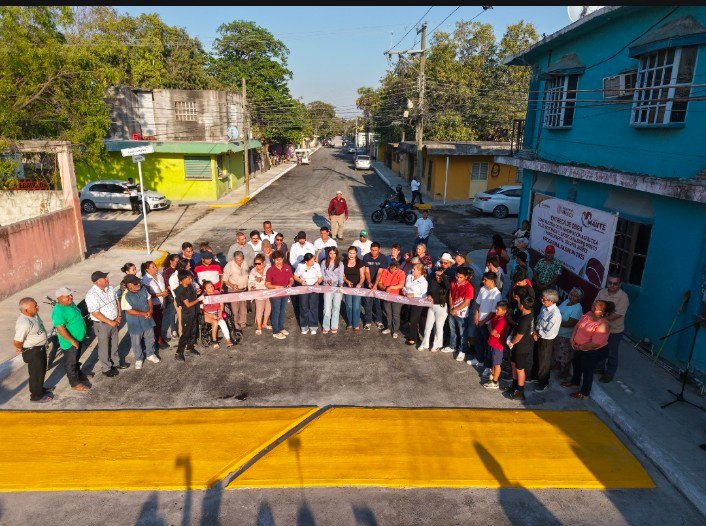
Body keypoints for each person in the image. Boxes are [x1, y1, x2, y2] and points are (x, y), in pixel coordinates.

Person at [562, 300, 613, 399]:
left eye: (595, 308)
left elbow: (595, 344)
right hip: (579, 347)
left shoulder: (603, 325)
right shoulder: (589, 314)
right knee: (576, 365)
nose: (592, 309)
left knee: (587, 371)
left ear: (603, 313)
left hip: (593, 352)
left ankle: (584, 393)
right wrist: (572, 339)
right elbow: (577, 326)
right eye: (593, 306)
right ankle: (575, 382)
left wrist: (580, 347)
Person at [85, 270, 125, 376]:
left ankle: (116, 362)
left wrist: (119, 316)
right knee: (104, 346)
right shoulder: (91, 295)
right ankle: (106, 368)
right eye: (104, 278)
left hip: (114, 321)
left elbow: (117, 302)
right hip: (102, 324)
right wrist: (110, 322)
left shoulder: (110, 288)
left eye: (106, 277)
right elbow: (95, 313)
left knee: (114, 343)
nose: (107, 279)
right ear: (97, 281)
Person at [13, 297, 53, 402]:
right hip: (33, 352)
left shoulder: (34, 314)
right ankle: (36, 396)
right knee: (36, 374)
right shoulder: (24, 323)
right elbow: (17, 341)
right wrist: (20, 348)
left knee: (42, 371)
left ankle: (40, 389)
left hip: (40, 349)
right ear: (26, 310)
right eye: (35, 306)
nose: (37, 307)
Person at [51, 287, 91, 391]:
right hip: (70, 342)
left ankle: (79, 375)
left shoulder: (70, 304)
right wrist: (72, 341)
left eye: (71, 295)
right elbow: (60, 329)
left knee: (76, 359)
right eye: (67, 296)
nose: (71, 297)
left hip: (78, 338)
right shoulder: (58, 311)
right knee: (71, 363)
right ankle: (75, 383)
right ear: (59, 298)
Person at [122, 275, 161, 369]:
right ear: (129, 285)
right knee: (136, 342)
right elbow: (129, 311)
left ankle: (150, 354)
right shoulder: (125, 296)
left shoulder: (143, 289)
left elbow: (149, 299)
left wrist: (151, 310)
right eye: (136, 283)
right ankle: (139, 359)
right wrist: (144, 313)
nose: (139, 284)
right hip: (135, 322)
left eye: (138, 282)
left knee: (150, 338)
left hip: (147, 318)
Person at [596, 274, 630, 383]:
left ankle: (610, 373)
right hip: (601, 328)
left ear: (619, 284)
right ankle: (599, 368)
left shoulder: (623, 297)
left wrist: (601, 320)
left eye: (615, 284)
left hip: (614, 330)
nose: (612, 285)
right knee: (600, 348)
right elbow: (596, 305)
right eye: (610, 283)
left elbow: (617, 314)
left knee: (611, 352)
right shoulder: (602, 292)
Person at [530, 289, 562, 391]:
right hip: (538, 336)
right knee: (536, 357)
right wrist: (535, 332)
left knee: (544, 362)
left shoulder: (555, 314)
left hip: (546, 340)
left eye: (544, 299)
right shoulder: (544, 307)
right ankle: (534, 376)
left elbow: (549, 332)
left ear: (551, 301)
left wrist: (537, 334)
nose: (542, 301)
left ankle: (543, 382)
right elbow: (539, 320)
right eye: (542, 298)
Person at [468, 271, 502, 368]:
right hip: (479, 321)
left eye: (485, 280)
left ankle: (488, 365)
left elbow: (493, 312)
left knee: (487, 344)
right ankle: (479, 359)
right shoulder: (483, 289)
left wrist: (483, 321)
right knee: (478, 341)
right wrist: (476, 316)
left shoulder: (497, 294)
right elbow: (478, 304)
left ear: (492, 281)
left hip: (488, 323)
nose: (483, 281)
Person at [419, 255, 451, 352]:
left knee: (439, 327)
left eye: (440, 276)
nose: (438, 277)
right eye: (437, 275)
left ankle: (437, 344)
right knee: (428, 326)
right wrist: (429, 295)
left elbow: (448, 286)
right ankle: (425, 344)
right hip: (432, 306)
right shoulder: (433, 281)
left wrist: (443, 276)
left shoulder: (445, 283)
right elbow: (429, 289)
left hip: (441, 307)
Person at [506, 295, 535, 401]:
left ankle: (520, 392)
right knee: (513, 365)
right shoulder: (529, 313)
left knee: (520, 369)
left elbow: (519, 336)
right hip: (518, 347)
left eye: (519, 303)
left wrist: (511, 343)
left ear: (522, 306)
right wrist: (518, 299)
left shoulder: (525, 319)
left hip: (521, 348)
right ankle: (514, 386)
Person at [553, 287, 585, 381]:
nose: (572, 297)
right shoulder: (566, 301)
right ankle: (557, 366)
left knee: (566, 355)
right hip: (558, 332)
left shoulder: (577, 308)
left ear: (579, 298)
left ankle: (566, 373)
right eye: (571, 294)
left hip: (566, 335)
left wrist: (555, 322)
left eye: (575, 296)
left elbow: (570, 323)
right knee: (557, 351)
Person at [444, 266, 475, 357]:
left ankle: (462, 350)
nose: (458, 279)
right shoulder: (453, 282)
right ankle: (452, 346)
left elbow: (466, 302)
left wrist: (455, 309)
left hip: (462, 314)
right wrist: (451, 306)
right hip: (452, 310)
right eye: (457, 276)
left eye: (461, 277)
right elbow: (450, 294)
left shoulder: (469, 287)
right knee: (452, 330)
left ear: (466, 277)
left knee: (462, 333)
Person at [173, 270, 203, 361]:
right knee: (185, 334)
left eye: (191, 278)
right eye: (189, 278)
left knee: (193, 332)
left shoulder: (189, 286)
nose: (191, 280)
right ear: (182, 280)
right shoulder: (180, 290)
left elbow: (191, 296)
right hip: (187, 314)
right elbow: (188, 304)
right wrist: (199, 299)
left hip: (194, 312)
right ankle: (179, 353)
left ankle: (190, 348)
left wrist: (197, 293)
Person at [140, 261, 170, 350]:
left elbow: (163, 287)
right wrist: (161, 294)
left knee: (160, 322)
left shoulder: (159, 275)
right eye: (153, 267)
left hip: (162, 303)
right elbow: (146, 295)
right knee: (155, 323)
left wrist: (165, 291)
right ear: (147, 270)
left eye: (155, 266)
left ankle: (159, 337)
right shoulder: (145, 280)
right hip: (153, 304)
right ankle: (157, 341)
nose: (156, 268)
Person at [265, 250, 294, 339]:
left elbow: (291, 278)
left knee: (282, 311)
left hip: (285, 293)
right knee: (276, 311)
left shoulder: (287, 267)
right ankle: (275, 331)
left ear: (283, 258)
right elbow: (267, 284)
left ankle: (281, 327)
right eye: (277, 260)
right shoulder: (270, 270)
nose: (279, 261)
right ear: (273, 260)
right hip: (275, 295)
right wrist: (276, 287)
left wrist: (290, 284)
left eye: (280, 259)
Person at [376, 259, 406, 339]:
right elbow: (380, 282)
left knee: (396, 314)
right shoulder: (385, 271)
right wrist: (384, 288)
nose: (394, 271)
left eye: (396, 269)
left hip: (396, 297)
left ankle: (395, 330)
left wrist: (390, 287)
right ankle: (389, 327)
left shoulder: (401, 273)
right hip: (386, 296)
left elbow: (401, 285)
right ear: (389, 267)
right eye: (392, 269)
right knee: (388, 313)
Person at [294, 252, 323, 334]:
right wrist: (301, 281)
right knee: (303, 307)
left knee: (313, 307)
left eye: (314, 260)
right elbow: (295, 276)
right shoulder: (300, 266)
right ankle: (304, 326)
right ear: (306, 261)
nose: (313, 262)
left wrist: (318, 282)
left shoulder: (316, 265)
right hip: (304, 288)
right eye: (311, 261)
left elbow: (320, 277)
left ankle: (313, 326)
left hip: (314, 287)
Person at [483, 300, 509, 389]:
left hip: (497, 346)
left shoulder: (502, 321)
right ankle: (493, 376)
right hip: (492, 344)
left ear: (504, 311)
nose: (496, 311)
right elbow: (489, 326)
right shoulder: (496, 316)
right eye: (496, 309)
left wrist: (492, 331)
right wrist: (492, 331)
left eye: (498, 310)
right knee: (493, 363)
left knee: (497, 364)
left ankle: (495, 382)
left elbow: (492, 331)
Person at [362, 242, 389, 330]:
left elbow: (380, 273)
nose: (373, 252)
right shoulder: (366, 257)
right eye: (372, 250)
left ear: (379, 250)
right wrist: (369, 282)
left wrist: (376, 284)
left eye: (375, 250)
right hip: (368, 284)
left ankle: (379, 320)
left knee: (378, 304)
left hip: (379, 284)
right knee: (368, 304)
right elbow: (366, 271)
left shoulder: (383, 258)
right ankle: (368, 322)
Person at [201, 280, 235, 349]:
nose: (212, 288)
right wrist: (210, 315)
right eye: (209, 288)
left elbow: (221, 304)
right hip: (207, 314)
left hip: (217, 313)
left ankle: (228, 340)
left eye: (212, 286)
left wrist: (220, 314)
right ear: (205, 290)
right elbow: (201, 309)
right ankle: (214, 340)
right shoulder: (203, 296)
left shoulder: (217, 293)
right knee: (215, 322)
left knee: (222, 322)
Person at [222, 251, 249, 332]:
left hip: (243, 289)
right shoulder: (229, 266)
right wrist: (232, 285)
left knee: (243, 308)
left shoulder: (245, 263)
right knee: (235, 309)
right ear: (234, 258)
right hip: (233, 290)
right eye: (238, 260)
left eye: (241, 259)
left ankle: (243, 323)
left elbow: (247, 273)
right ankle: (235, 324)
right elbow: (225, 279)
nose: (240, 262)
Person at [402, 263, 428, 346]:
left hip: (418, 303)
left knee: (413, 320)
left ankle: (414, 339)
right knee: (410, 319)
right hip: (408, 301)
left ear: (419, 271)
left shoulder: (423, 281)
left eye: (414, 269)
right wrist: (404, 291)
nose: (412, 270)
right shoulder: (409, 276)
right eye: (412, 268)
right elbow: (405, 286)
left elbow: (424, 295)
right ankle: (415, 336)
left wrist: (414, 295)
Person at [342, 246, 366, 332]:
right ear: (348, 253)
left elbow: (362, 276)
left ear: (356, 254)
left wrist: (359, 284)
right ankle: (349, 323)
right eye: (350, 253)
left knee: (356, 306)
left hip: (357, 286)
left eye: (353, 253)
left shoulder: (360, 262)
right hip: (347, 286)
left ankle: (355, 324)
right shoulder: (343, 262)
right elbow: (343, 276)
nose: (351, 255)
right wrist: (347, 281)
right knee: (348, 305)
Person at [321, 247, 344, 334]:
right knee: (327, 307)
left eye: (334, 253)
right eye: (330, 253)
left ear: (336, 254)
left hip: (337, 286)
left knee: (336, 307)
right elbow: (322, 274)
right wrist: (327, 280)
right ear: (328, 254)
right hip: (327, 286)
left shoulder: (340, 263)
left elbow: (341, 276)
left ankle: (334, 326)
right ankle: (326, 326)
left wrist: (341, 284)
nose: (332, 255)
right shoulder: (324, 262)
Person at [249, 254, 272, 335]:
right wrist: (252, 286)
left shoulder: (269, 268)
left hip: (268, 292)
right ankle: (259, 327)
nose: (257, 265)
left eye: (259, 263)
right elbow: (250, 281)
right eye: (255, 264)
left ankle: (264, 324)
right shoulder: (253, 271)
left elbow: (272, 278)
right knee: (259, 311)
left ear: (264, 263)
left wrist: (262, 279)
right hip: (258, 293)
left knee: (268, 309)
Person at [161, 254, 181, 342]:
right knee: (172, 312)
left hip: (180, 293)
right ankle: (173, 330)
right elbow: (168, 285)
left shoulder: (179, 269)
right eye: (176, 261)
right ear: (171, 261)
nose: (177, 263)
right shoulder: (167, 271)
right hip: (172, 295)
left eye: (178, 261)